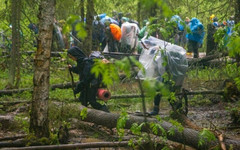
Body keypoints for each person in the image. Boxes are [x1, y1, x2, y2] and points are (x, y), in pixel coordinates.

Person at [67, 46, 109, 112]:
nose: (71, 58)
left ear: (75, 55)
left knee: (92, 101)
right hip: (87, 85)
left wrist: (78, 87)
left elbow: (86, 78)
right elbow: (79, 70)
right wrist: (72, 68)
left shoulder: (87, 63)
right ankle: (85, 114)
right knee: (82, 99)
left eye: (71, 56)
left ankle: (106, 112)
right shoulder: (81, 62)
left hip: (92, 85)